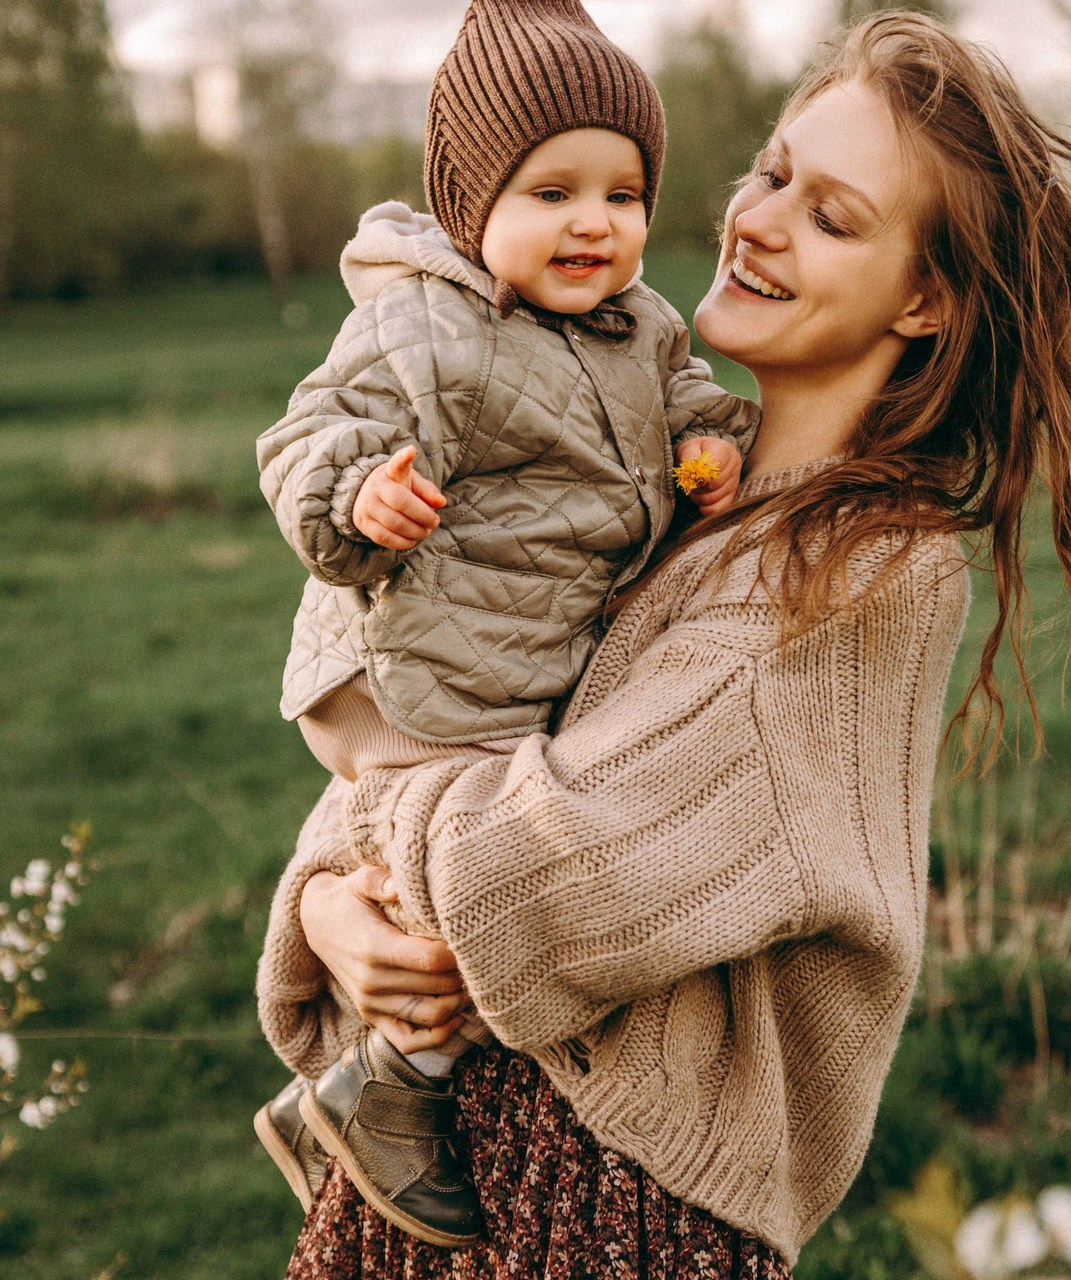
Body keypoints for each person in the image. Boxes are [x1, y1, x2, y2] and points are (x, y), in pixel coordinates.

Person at [256, 10, 1071, 1279]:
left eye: (831, 216)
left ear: (925, 300)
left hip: (610, 1207)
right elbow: (462, 728)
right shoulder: (677, 489)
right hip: (449, 1161)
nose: (759, 219)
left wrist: (359, 871)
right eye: (773, 171)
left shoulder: (860, 567)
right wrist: (332, 911)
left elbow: (541, 867)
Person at [251, 0, 759, 1249]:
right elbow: (304, 437)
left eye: (624, 194)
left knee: (470, 875)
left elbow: (688, 395)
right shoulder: (423, 323)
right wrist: (357, 498)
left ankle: (339, 1086)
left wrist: (710, 441)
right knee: (481, 877)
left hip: (508, 659)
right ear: (473, 206)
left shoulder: (639, 325)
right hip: (411, 656)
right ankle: (391, 1088)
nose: (594, 222)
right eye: (552, 192)